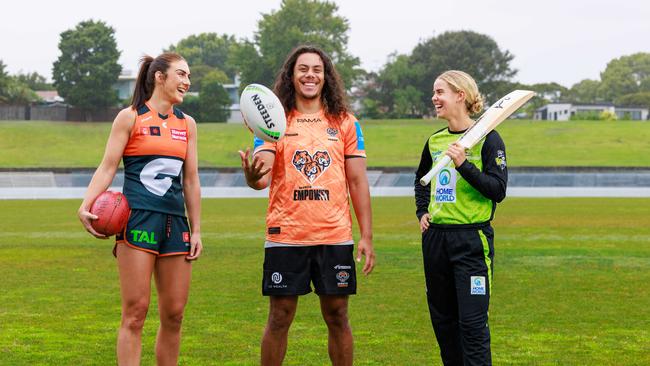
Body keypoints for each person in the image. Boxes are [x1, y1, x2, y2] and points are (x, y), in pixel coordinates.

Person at [238, 45, 375, 366]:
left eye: (317, 69)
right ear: (291, 76)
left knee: (338, 315)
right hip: (287, 235)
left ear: (326, 77)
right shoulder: (273, 120)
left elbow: (357, 181)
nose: (310, 75)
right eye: (303, 69)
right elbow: (261, 176)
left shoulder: (345, 122)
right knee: (279, 316)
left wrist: (366, 235)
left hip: (334, 235)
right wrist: (251, 176)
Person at [77, 52, 202, 365]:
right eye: (181, 74)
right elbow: (107, 167)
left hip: (176, 224)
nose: (187, 82)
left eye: (188, 76)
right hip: (138, 221)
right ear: (160, 77)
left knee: (174, 315)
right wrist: (86, 203)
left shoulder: (188, 124)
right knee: (135, 313)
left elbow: (191, 181)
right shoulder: (130, 116)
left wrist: (197, 229)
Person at [414, 70, 507, 365]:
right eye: (434, 92)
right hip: (436, 241)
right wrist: (422, 212)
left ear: (460, 96)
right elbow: (421, 181)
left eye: (440, 92)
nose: (434, 98)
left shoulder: (489, 140)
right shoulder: (434, 141)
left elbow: (498, 190)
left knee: (472, 325)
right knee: (444, 324)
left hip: (471, 242)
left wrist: (463, 164)